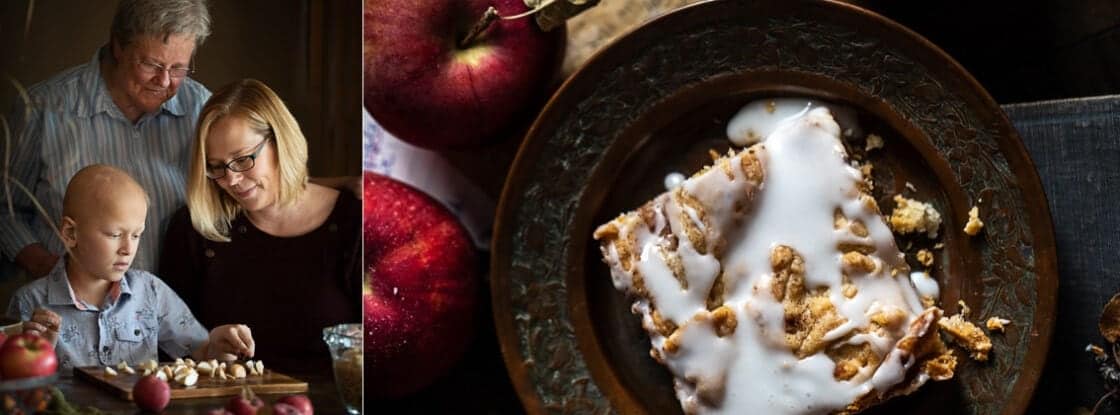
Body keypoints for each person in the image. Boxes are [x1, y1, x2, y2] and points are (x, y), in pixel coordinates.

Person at [160, 79, 360, 373]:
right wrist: (206, 348)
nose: (231, 180)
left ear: (281, 142)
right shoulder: (195, 229)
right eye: (216, 166)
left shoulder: (355, 224)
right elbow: (168, 348)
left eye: (242, 160)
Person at [1, 0, 212, 277]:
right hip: (71, 309)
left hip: (172, 310)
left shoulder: (201, 109)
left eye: (178, 69)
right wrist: (46, 267)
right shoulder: (43, 108)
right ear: (118, 46)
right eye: (151, 64)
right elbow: (5, 211)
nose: (163, 81)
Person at [6, 164, 255, 371]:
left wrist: (220, 345)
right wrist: (37, 353)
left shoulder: (151, 292)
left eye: (136, 236)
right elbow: (16, 392)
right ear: (71, 233)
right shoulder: (30, 304)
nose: (128, 248)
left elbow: (201, 351)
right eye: (115, 234)